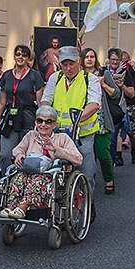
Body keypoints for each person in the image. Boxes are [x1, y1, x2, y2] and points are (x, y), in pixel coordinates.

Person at [0, 106, 82, 219]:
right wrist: (19, 154)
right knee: (17, 177)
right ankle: (10, 208)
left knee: (37, 180)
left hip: (49, 175)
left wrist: (57, 150)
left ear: (54, 125)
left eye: (48, 122)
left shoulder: (62, 138)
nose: (43, 124)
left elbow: (78, 159)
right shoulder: (31, 135)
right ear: (36, 122)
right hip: (28, 170)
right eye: (40, 121)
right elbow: (17, 149)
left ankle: (22, 207)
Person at [41, 46, 101, 191]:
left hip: (82, 135)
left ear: (79, 61)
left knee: (86, 175)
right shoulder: (55, 78)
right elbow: (46, 100)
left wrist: (77, 121)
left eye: (71, 63)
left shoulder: (90, 79)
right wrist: (46, 117)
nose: (68, 68)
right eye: (64, 64)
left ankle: (88, 204)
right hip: (58, 135)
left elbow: (94, 104)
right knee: (54, 172)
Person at [0, 45, 45, 178]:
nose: (21, 57)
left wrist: (42, 122)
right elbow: (2, 101)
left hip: (28, 117)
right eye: (18, 54)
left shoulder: (35, 76)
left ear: (28, 58)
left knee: (26, 155)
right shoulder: (7, 75)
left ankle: (22, 186)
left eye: (24, 55)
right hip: (10, 118)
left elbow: (40, 102)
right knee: (5, 154)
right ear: (14, 56)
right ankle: (6, 185)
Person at [81, 48, 117, 195]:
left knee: (103, 153)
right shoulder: (79, 75)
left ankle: (109, 179)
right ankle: (89, 180)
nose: (89, 59)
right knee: (87, 154)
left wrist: (103, 85)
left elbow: (116, 94)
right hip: (85, 119)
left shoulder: (104, 74)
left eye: (92, 56)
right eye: (87, 57)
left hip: (101, 119)